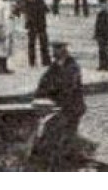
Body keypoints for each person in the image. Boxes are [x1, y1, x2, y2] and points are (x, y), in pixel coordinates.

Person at [32, 43, 87, 171]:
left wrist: (52, 94)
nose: (54, 53)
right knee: (52, 131)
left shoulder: (72, 67)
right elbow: (44, 82)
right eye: (54, 50)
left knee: (62, 134)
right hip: (59, 107)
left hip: (72, 108)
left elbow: (67, 88)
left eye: (57, 49)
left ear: (64, 51)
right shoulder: (55, 67)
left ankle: (63, 163)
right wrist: (39, 96)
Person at [22, 0, 52, 68]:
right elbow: (25, 7)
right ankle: (32, 61)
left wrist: (46, 8)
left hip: (41, 21)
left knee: (44, 41)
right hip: (32, 21)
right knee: (32, 42)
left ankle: (45, 60)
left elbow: (43, 6)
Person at [93, 0, 108, 71]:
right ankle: (102, 65)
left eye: (103, 4)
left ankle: (105, 65)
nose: (102, 6)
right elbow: (97, 25)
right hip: (100, 35)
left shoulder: (105, 13)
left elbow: (106, 26)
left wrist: (106, 35)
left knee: (104, 50)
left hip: (103, 35)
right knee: (101, 51)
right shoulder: (101, 13)